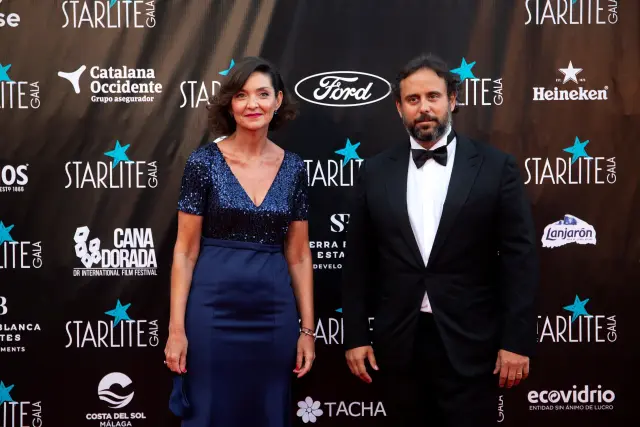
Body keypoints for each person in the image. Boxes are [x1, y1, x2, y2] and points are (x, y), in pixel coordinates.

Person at [341, 53, 539, 427]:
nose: (424, 108)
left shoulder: (496, 167)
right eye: (413, 99)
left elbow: (520, 260)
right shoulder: (375, 171)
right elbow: (357, 262)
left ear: (452, 99)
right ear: (399, 107)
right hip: (399, 344)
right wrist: (355, 336)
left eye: (433, 96)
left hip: (473, 343)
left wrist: (516, 341)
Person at [164, 56, 316, 427]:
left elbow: (299, 255)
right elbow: (185, 251)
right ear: (229, 103)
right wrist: (176, 329)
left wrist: (307, 331)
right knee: (209, 410)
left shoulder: (294, 167)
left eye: (262, 94)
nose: (252, 104)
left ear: (278, 100)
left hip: (273, 313)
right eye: (241, 95)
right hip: (212, 312)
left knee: (267, 410)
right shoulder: (203, 162)